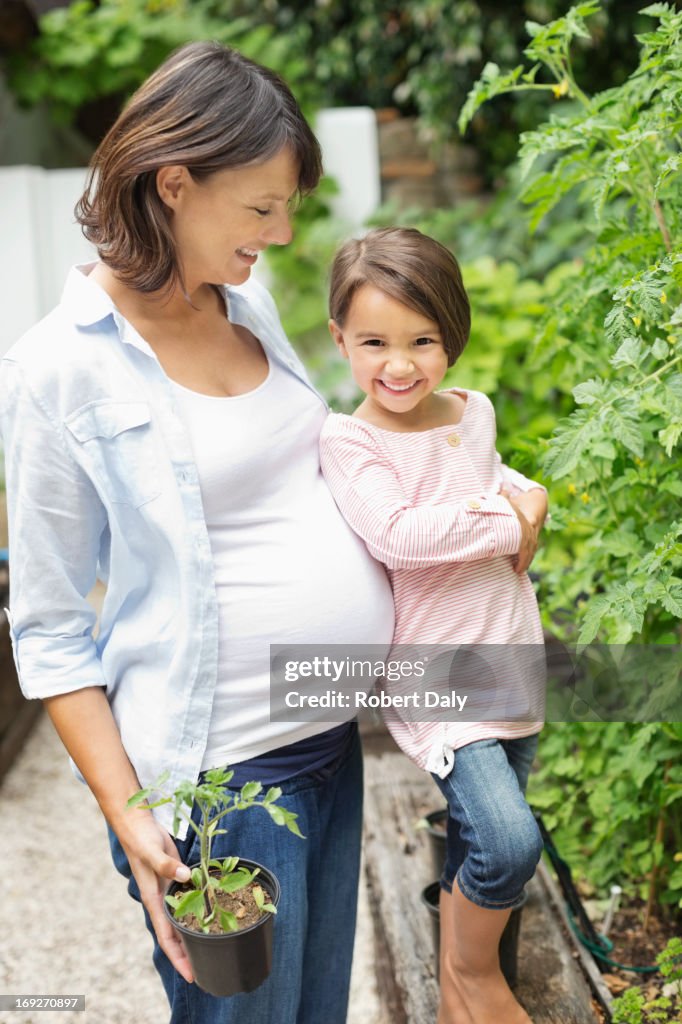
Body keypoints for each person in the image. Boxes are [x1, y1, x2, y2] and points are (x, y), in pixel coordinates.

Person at [0, 43, 394, 1024]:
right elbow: (47, 630)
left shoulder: (244, 300)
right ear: (174, 184)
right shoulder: (58, 369)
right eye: (262, 208)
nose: (285, 232)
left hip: (328, 748)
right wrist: (131, 815)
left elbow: (309, 474)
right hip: (221, 788)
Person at [319, 227, 549, 1024]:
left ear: (452, 336)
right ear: (340, 339)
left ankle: (458, 999)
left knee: (482, 840)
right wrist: (507, 521)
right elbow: (402, 536)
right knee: (511, 843)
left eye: (423, 341)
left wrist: (533, 496)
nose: (400, 363)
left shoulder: (471, 411)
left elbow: (497, 481)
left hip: (509, 650)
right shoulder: (351, 440)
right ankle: (472, 973)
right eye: (375, 341)